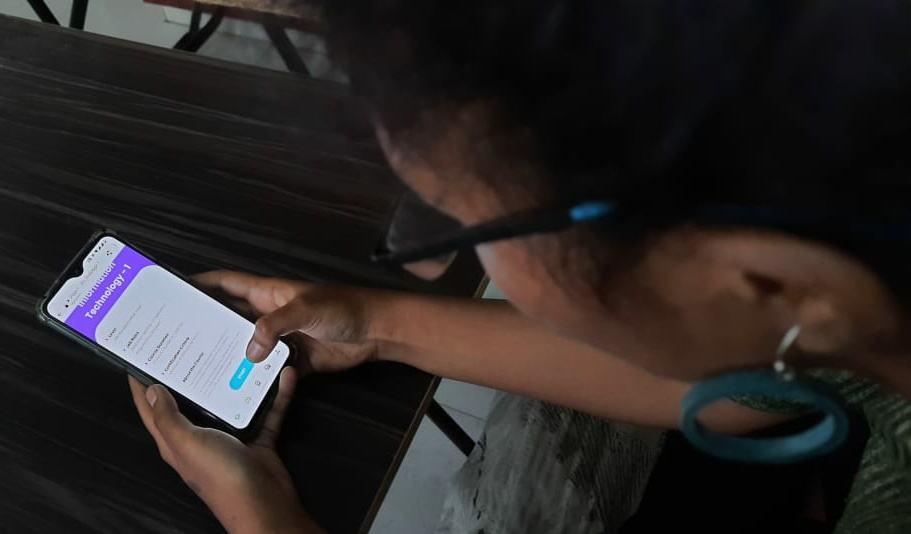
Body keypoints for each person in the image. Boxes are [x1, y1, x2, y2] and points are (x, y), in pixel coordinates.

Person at [127, 0, 911, 532]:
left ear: (769, 281)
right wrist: (377, 326)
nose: (466, 256)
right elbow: (739, 387)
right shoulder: (845, 257)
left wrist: (270, 526)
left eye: (471, 224)